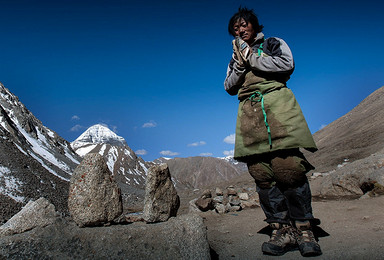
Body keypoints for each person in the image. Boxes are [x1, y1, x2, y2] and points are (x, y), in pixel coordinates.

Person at [224, 7, 322, 257]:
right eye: (236, 28)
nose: (240, 30)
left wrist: (251, 57)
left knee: (288, 168)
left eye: (244, 25)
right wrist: (239, 63)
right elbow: (228, 86)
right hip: (250, 113)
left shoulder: (272, 43)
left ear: (254, 26)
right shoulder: (234, 57)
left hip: (277, 107)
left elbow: (286, 64)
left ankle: (303, 228)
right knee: (260, 171)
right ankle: (280, 229)